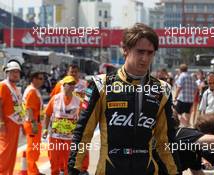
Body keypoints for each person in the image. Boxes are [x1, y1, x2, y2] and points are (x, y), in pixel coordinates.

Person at [68, 23, 179, 175]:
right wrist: (73, 169)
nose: (145, 58)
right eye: (140, 51)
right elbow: (83, 133)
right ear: (125, 50)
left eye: (150, 53)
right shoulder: (101, 84)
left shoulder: (162, 89)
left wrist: (174, 172)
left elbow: (165, 140)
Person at [43, 76, 81, 175]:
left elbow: (81, 118)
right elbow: (47, 114)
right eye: (69, 84)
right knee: (53, 159)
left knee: (68, 162)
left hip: (69, 138)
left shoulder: (78, 101)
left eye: (73, 84)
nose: (71, 86)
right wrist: (45, 129)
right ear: (63, 85)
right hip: (55, 136)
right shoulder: (55, 99)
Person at [0, 59, 23, 174]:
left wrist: (22, 124)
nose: (15, 74)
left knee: (12, 155)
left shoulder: (15, 88)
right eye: (13, 71)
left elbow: (18, 107)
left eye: (17, 72)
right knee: (4, 155)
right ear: (7, 73)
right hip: (6, 126)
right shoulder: (3, 86)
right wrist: (1, 123)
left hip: (15, 125)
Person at [22, 72, 45, 175]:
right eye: (40, 78)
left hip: (33, 122)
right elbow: (29, 108)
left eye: (42, 79)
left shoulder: (32, 90)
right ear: (34, 79)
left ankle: (34, 170)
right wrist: (34, 123)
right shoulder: (32, 91)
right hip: (33, 123)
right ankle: (32, 172)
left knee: (34, 148)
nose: (42, 81)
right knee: (32, 149)